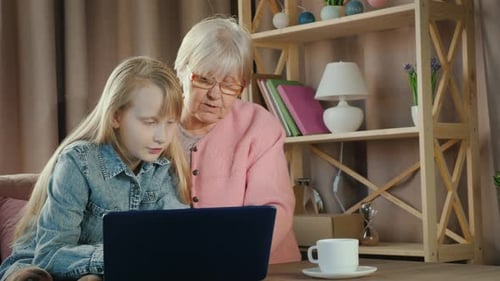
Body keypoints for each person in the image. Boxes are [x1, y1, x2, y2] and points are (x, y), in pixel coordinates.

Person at [0, 56, 191, 281]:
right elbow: (49, 254)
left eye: (170, 123)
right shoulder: (78, 162)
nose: (162, 137)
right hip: (39, 264)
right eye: (149, 122)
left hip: (101, 269)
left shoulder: (161, 169)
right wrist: (122, 255)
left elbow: (176, 240)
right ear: (115, 117)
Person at [174, 15, 301, 264]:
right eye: (204, 79)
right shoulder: (154, 121)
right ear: (181, 70)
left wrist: (237, 260)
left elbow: (272, 208)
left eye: (229, 85)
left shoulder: (259, 126)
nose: (215, 95)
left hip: (260, 266)